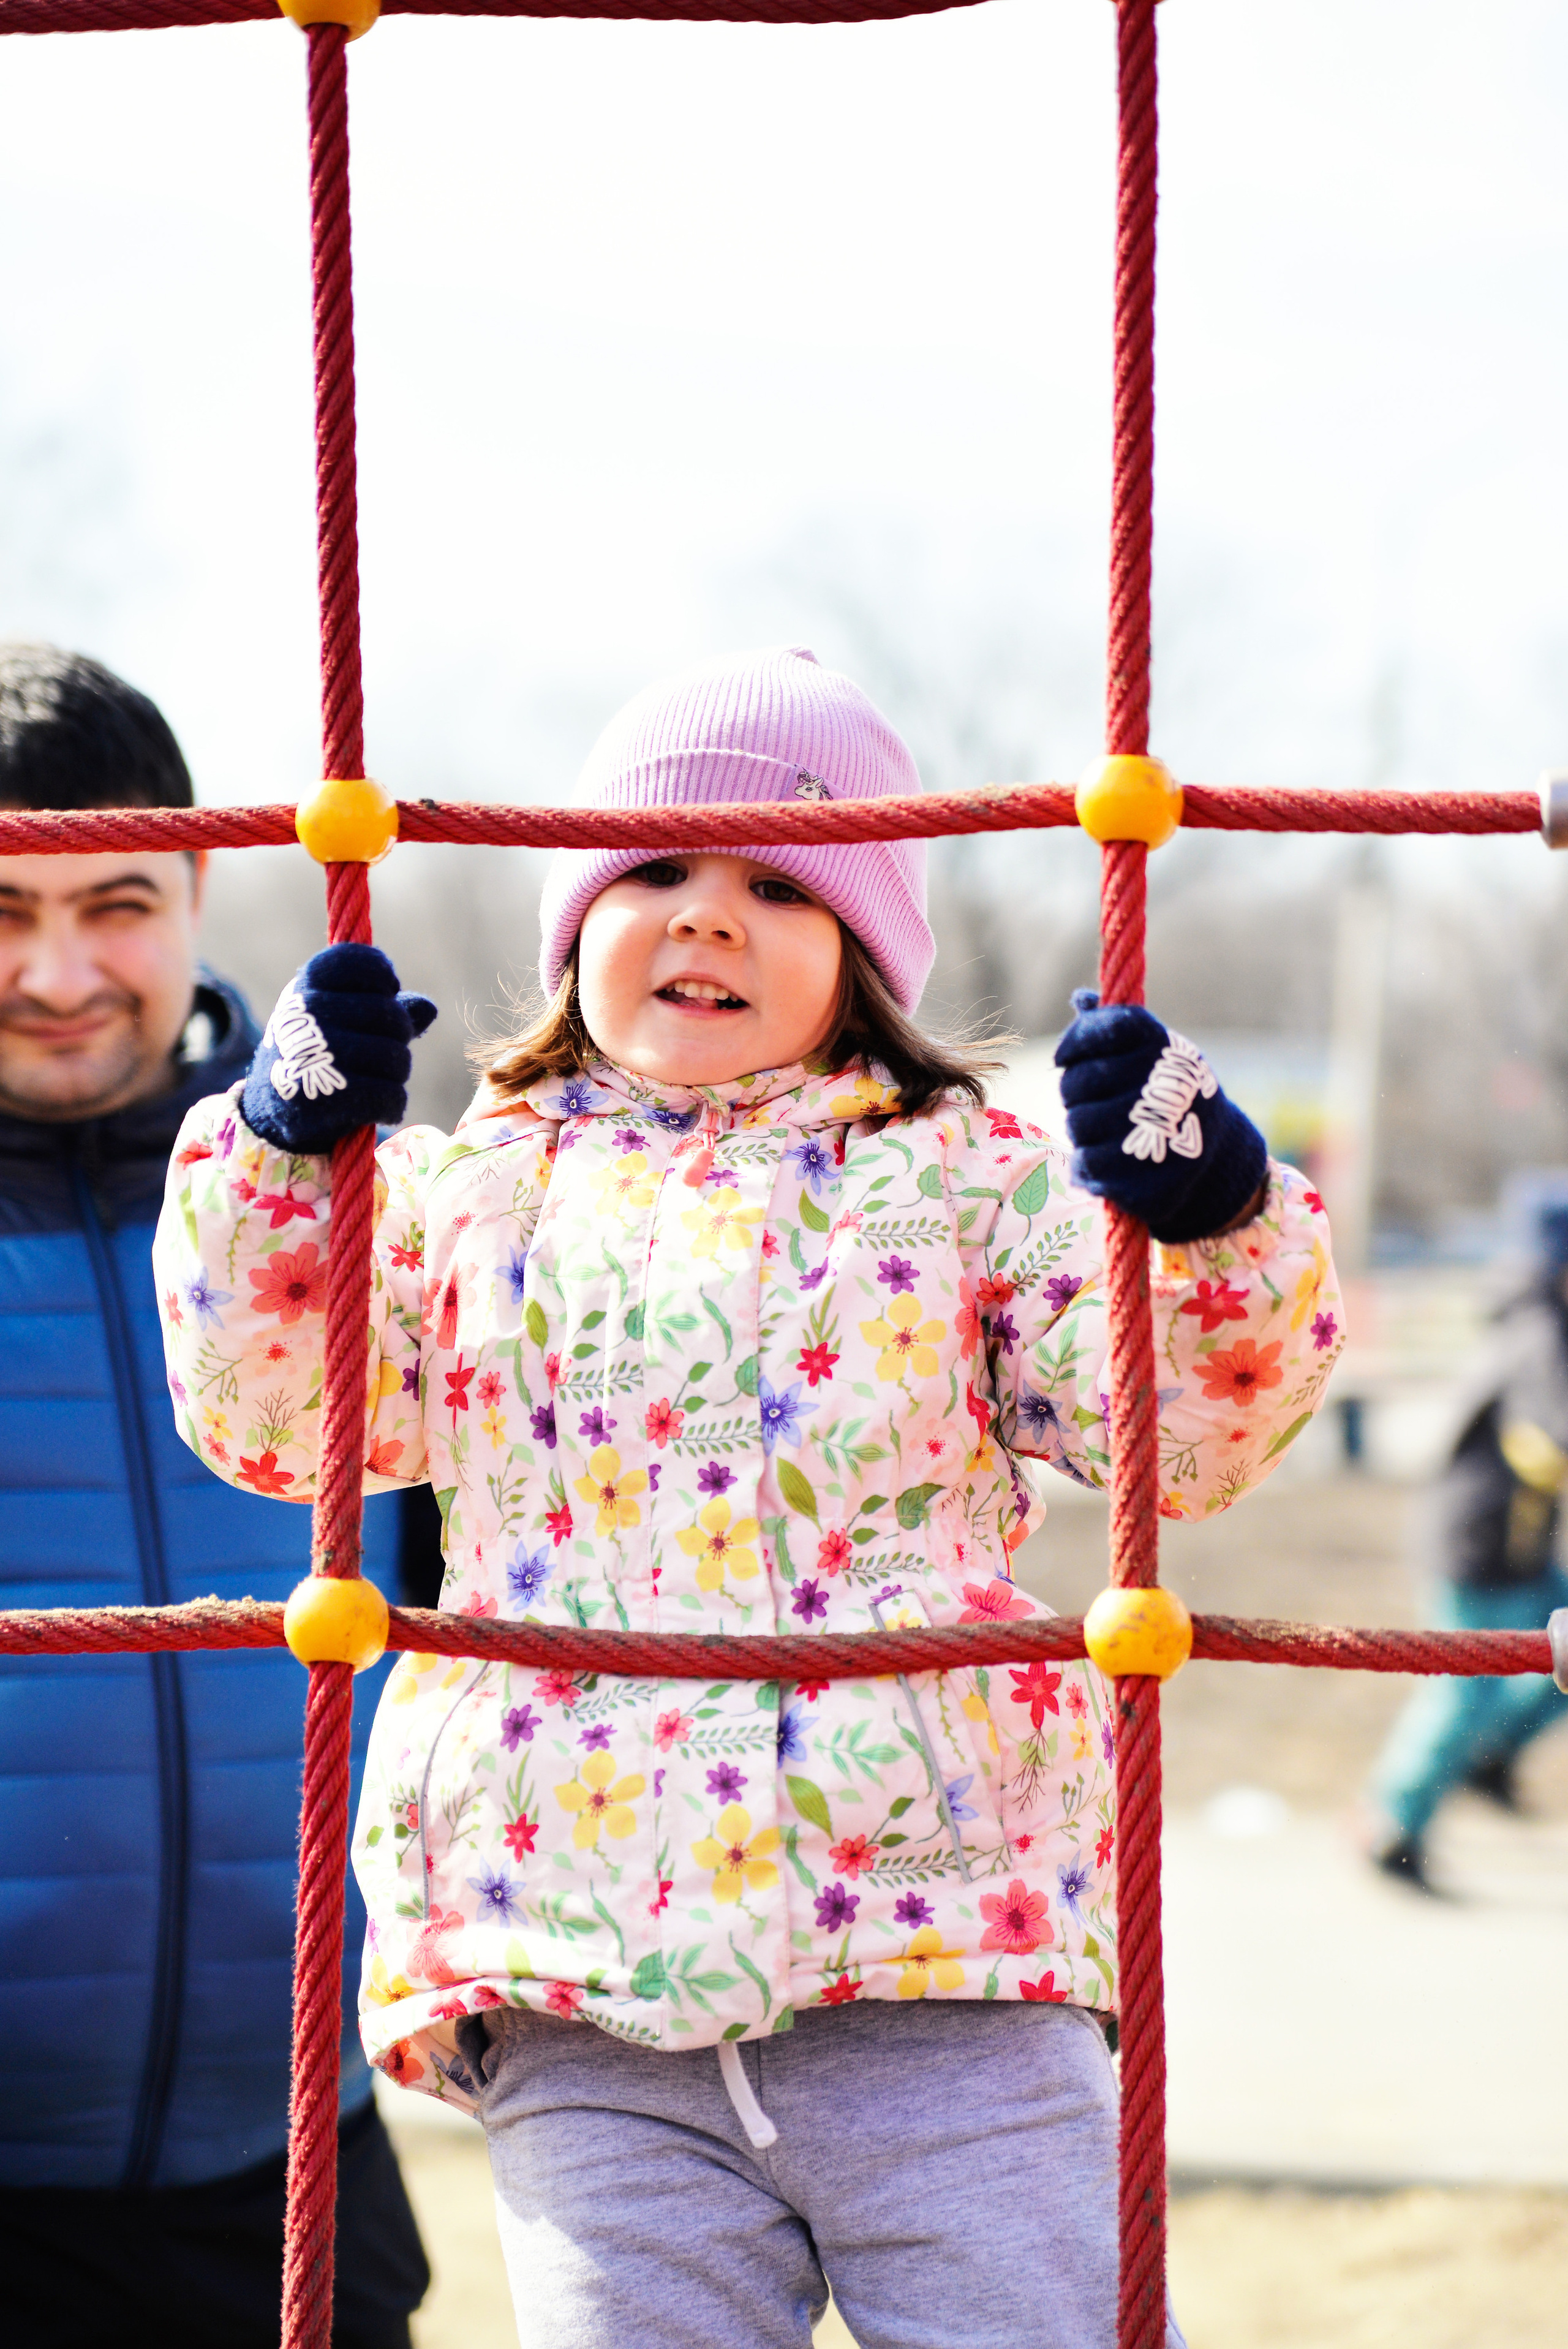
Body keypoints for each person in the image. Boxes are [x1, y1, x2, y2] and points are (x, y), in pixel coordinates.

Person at [156, 646, 1344, 2349]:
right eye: (656, 870)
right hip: (580, 1977)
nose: (707, 917)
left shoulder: (968, 1184)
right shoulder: (455, 1194)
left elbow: (1185, 1436)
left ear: (866, 948)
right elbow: (274, 1414)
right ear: (577, 918)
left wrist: (1210, 1214)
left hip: (939, 1950)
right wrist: (279, 1150)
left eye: (779, 884)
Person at [0, 645, 430, 2348]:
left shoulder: (344, 1207)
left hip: (299, 2164)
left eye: (116, 901)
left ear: (197, 886)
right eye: (1, 911)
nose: (56, 970)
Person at [1366, 1202, 1568, 1889]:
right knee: (1465, 1689)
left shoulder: (1540, 1318)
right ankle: (1391, 1823)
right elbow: (1557, 1430)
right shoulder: (1538, 1329)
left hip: (1521, 1541)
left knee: (1552, 1670)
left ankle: (1493, 1758)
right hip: (1478, 1537)